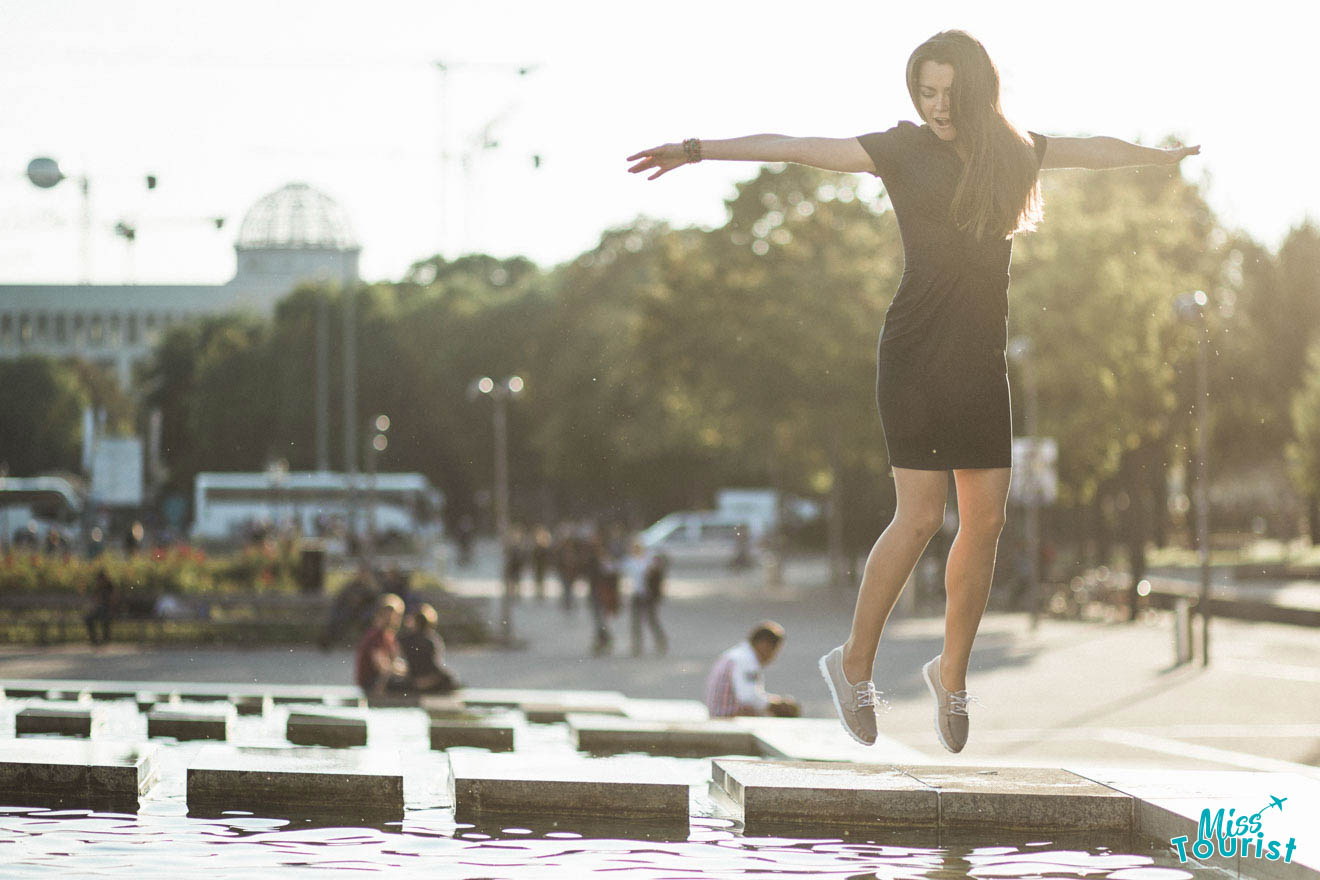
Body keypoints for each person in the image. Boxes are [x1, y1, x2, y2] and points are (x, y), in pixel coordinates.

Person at [628, 29, 1199, 753]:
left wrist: (1163, 159)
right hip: (914, 356)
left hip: (981, 362)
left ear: (977, 90)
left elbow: (1093, 147)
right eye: (923, 92)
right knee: (922, 516)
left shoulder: (1015, 150)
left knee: (986, 522)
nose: (935, 106)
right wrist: (699, 147)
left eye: (947, 93)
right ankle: (853, 661)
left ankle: (950, 677)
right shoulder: (900, 149)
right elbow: (801, 145)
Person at [704, 621, 800, 718]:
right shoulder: (745, 659)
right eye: (774, 651)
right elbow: (749, 698)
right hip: (726, 720)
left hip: (720, 715)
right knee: (787, 709)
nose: (773, 658)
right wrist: (779, 704)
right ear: (764, 645)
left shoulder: (737, 654)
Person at [398, 603, 460, 694]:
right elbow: (437, 664)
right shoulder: (431, 639)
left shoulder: (405, 639)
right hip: (421, 678)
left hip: (416, 679)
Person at [353, 593, 407, 697]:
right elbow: (382, 667)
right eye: (388, 614)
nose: (392, 618)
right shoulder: (376, 635)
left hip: (380, 681)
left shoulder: (389, 636)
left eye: (395, 615)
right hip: (371, 684)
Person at [624, 540, 668, 656]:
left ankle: (661, 641)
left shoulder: (648, 560)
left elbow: (659, 568)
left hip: (648, 595)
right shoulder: (630, 561)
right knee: (635, 622)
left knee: (651, 620)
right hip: (636, 594)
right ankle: (636, 646)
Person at [84, 568, 116, 646]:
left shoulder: (110, 586)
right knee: (88, 619)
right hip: (99, 610)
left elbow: (113, 600)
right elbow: (94, 600)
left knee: (105, 617)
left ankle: (105, 639)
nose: (99, 581)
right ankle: (94, 640)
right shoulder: (97, 588)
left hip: (108, 610)